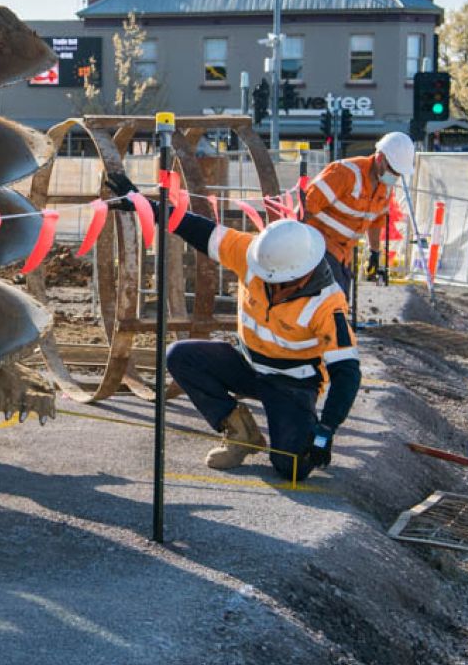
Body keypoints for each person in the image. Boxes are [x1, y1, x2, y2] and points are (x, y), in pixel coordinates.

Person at [107, 173, 360, 481]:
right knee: (180, 356)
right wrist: (146, 207)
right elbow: (198, 229)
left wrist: (326, 429)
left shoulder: (328, 303)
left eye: (277, 279)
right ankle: (241, 431)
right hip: (248, 364)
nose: (268, 282)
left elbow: (347, 372)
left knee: (292, 469)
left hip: (293, 384)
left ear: (301, 274)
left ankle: (294, 434)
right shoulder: (254, 253)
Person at [302, 131, 416, 295]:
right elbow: (308, 205)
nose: (395, 176)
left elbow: (376, 221)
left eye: (398, 173)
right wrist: (302, 246)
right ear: (380, 158)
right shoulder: (344, 173)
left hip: (343, 253)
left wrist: (374, 252)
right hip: (320, 246)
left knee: (341, 302)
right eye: (392, 170)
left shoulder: (385, 187)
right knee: (331, 304)